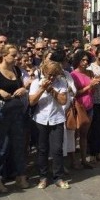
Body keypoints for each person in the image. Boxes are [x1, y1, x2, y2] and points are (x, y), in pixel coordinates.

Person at [0, 44, 30, 193]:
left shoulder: (16, 70)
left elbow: (21, 85)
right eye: (13, 55)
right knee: (0, 147)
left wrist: (23, 89)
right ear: (4, 55)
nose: (16, 58)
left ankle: (20, 175)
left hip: (15, 112)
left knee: (18, 144)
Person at [28, 60, 70, 189]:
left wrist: (51, 89)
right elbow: (32, 102)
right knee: (42, 149)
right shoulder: (36, 83)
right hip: (40, 119)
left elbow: (63, 101)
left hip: (57, 119)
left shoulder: (62, 82)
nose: (51, 77)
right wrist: (42, 89)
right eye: (49, 74)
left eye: (54, 75)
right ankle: (43, 177)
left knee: (57, 149)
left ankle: (58, 177)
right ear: (44, 71)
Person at [70, 51, 99, 167]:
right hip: (78, 107)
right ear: (77, 61)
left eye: (87, 60)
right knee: (74, 135)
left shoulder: (90, 72)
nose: (85, 62)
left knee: (84, 134)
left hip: (89, 106)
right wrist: (89, 86)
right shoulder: (73, 74)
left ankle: (84, 160)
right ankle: (73, 161)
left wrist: (94, 86)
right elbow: (75, 93)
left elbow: (92, 91)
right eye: (83, 60)